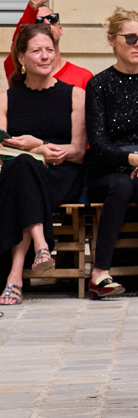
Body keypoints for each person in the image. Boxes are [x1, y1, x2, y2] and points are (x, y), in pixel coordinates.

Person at [85, 8, 138, 300]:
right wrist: (133, 160)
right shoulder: (98, 84)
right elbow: (98, 143)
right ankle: (100, 273)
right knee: (122, 183)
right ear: (112, 40)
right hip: (108, 168)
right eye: (131, 37)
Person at [0, 24, 86, 306]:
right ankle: (41, 247)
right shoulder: (5, 99)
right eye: (37, 51)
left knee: (23, 174)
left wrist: (38, 145)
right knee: (23, 169)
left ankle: (14, 278)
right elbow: (1, 147)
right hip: (17, 172)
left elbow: (78, 151)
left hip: (61, 174)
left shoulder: (75, 95)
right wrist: (33, 151)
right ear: (21, 58)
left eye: (50, 49)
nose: (46, 56)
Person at [3, 0, 93, 89]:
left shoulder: (84, 77)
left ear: (60, 29)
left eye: (52, 18)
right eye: (39, 21)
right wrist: (33, 4)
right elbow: (18, 41)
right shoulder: (20, 71)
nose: (46, 23)